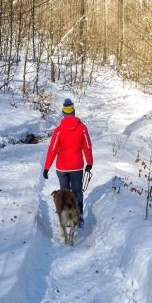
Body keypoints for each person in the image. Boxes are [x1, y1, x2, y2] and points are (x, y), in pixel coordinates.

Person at [42, 97, 93, 226]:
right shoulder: (82, 128)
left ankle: (66, 217)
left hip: (62, 168)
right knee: (77, 192)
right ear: (74, 112)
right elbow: (87, 146)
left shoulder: (58, 130)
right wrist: (89, 163)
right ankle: (79, 216)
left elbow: (52, 150)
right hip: (76, 167)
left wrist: (47, 168)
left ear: (63, 113)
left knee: (64, 192)